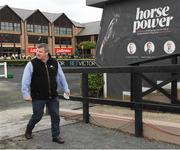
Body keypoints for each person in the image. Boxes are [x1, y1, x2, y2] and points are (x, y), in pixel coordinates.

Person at [21, 43, 70, 144]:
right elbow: (25, 80)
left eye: (40, 51)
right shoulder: (32, 63)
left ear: (47, 53)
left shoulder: (54, 62)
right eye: (37, 51)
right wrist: (26, 94)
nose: (37, 53)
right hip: (38, 96)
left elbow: (61, 76)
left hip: (53, 95)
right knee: (37, 116)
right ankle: (28, 130)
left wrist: (66, 88)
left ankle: (56, 136)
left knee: (55, 116)